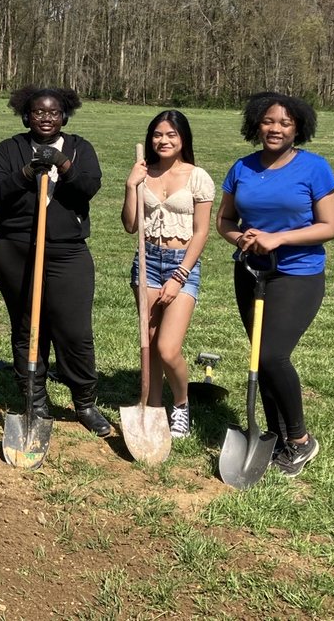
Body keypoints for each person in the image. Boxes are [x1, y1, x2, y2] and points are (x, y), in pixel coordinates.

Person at [215, 91, 334, 477]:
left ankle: (301, 441)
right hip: (251, 272)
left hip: (296, 274)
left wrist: (278, 238)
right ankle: (276, 436)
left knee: (271, 356)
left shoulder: (314, 168)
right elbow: (225, 221)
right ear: (257, 124)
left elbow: (329, 226)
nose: (276, 128)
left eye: (285, 123)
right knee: (259, 357)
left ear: (297, 128)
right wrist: (242, 240)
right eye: (269, 121)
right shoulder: (243, 168)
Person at [0, 85, 110, 436]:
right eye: (38, 112)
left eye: (53, 112)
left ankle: (85, 403)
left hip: (67, 250)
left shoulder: (79, 148)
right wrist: (26, 173)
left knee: (75, 331)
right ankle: (35, 400)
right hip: (16, 249)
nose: (46, 118)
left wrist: (62, 164)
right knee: (28, 326)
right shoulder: (9, 149)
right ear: (26, 115)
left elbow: (88, 187)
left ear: (64, 116)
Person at [120, 110, 214, 438]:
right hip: (146, 261)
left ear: (183, 139)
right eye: (158, 135)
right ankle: (154, 407)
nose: (164, 140)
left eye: (171, 135)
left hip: (181, 262)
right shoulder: (143, 173)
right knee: (149, 341)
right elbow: (131, 224)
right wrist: (132, 185)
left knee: (168, 348)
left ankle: (182, 403)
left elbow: (201, 233)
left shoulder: (197, 176)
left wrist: (179, 276)